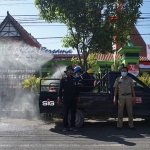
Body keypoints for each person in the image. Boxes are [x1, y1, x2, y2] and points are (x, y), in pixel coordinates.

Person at [57, 65, 80, 132]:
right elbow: (60, 89)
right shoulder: (63, 80)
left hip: (73, 98)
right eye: (68, 71)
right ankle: (65, 126)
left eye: (71, 71)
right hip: (66, 99)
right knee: (65, 113)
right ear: (66, 72)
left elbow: (77, 89)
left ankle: (73, 126)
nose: (69, 72)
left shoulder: (75, 80)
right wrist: (59, 97)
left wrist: (78, 96)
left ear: (72, 72)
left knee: (73, 113)